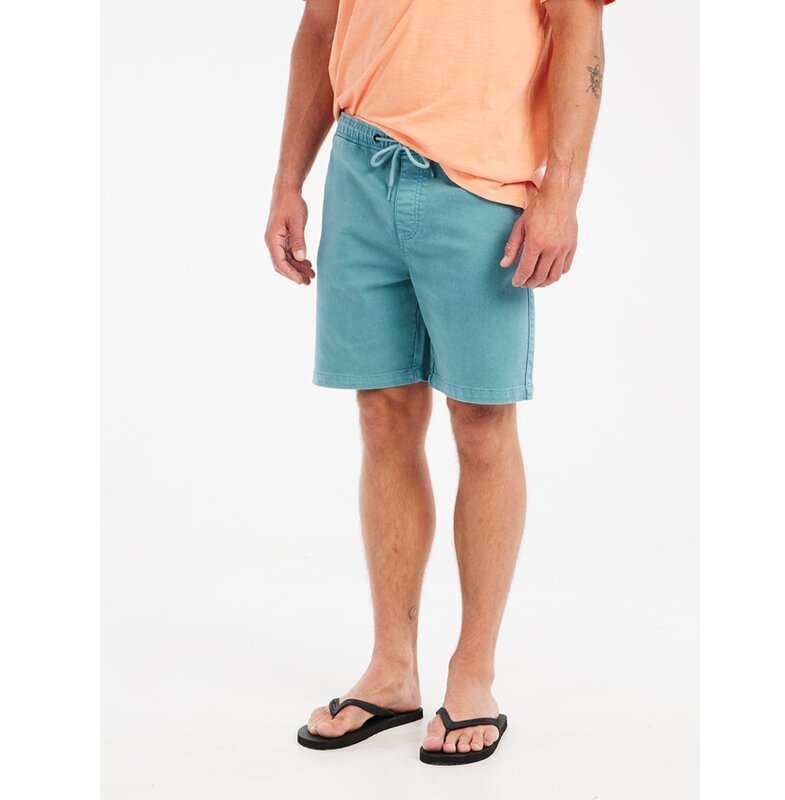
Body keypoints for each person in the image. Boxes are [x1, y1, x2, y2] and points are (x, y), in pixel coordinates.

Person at [265, 0, 615, 765]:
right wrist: (289, 179)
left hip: (480, 181)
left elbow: (578, 25)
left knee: (482, 424)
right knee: (382, 417)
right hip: (359, 166)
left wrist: (562, 194)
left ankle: (473, 673)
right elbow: (321, 24)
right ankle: (392, 671)